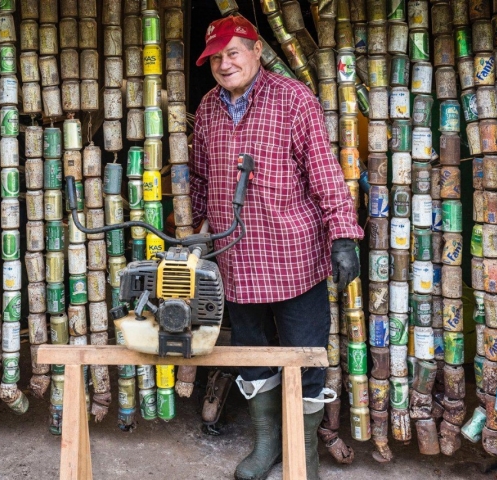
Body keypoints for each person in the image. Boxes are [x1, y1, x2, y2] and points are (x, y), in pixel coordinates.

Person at [190, 15, 364, 480]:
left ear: (256, 51)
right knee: (251, 352)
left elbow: (325, 173)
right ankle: (267, 444)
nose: (225, 65)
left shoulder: (293, 99)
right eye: (216, 58)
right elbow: (202, 181)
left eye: (233, 53)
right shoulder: (208, 108)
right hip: (236, 255)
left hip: (293, 254)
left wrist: (343, 235)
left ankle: (301, 452)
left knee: (304, 352)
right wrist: (193, 238)